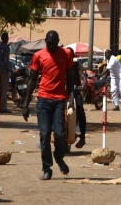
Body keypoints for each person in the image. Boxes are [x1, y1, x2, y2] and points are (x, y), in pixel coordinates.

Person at [23, 31, 75, 180]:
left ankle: (58, 157)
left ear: (58, 41)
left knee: (60, 134)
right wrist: (26, 104)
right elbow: (32, 80)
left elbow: (70, 76)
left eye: (53, 43)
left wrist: (71, 97)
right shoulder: (39, 55)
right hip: (44, 100)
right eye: (48, 43)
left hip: (59, 100)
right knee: (44, 136)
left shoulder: (66, 54)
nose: (50, 46)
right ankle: (47, 168)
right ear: (45, 41)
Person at [66, 47, 87, 149]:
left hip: (75, 91)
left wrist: (83, 86)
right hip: (64, 93)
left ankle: (82, 137)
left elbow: (83, 76)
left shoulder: (77, 65)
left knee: (80, 111)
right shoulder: (61, 65)